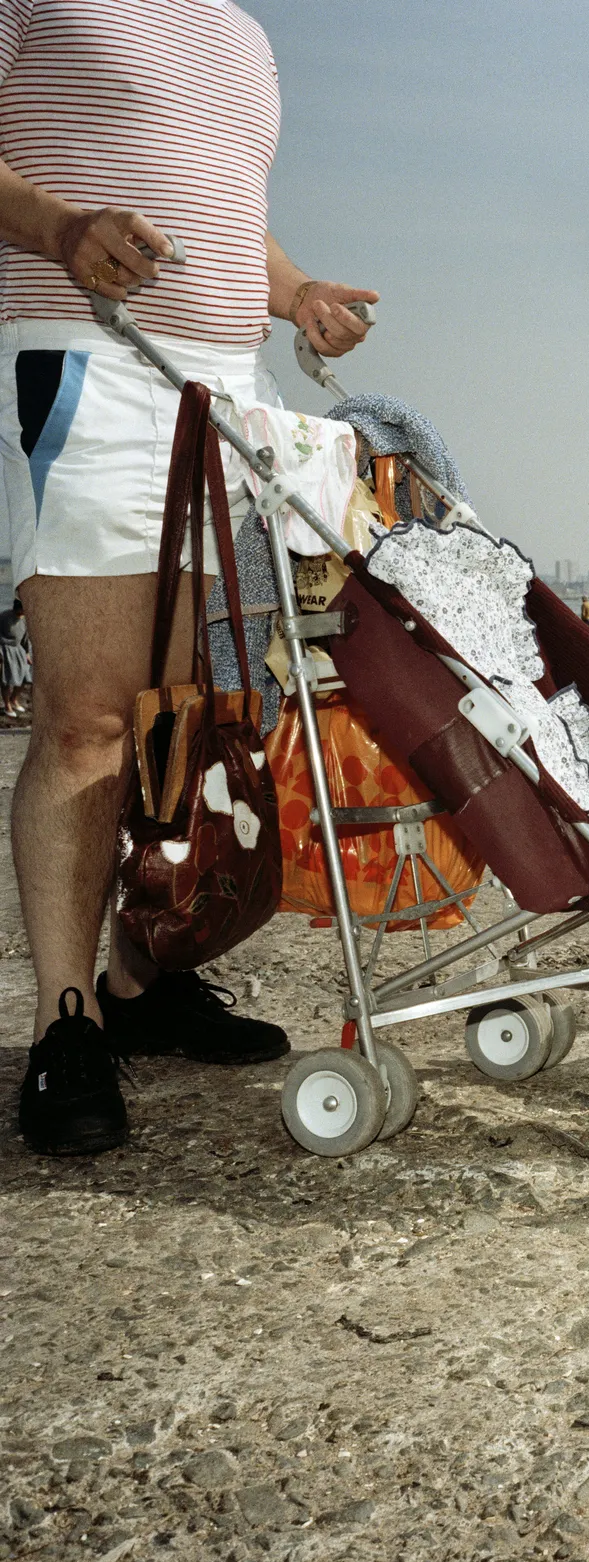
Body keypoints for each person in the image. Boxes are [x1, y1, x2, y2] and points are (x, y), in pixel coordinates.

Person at [1, 1, 377, 1157]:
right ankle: (66, 1023)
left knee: (184, 712)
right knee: (90, 719)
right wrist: (64, 226)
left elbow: (226, 213)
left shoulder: (243, 33)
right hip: (89, 357)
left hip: (229, 388)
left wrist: (295, 292)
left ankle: (140, 977)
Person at [0, 596, 29, 716]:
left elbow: (25, 638)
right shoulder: (4, 616)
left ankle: (14, 699)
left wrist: (27, 653)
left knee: (25, 679)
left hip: (19, 650)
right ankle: (7, 705)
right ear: (17, 608)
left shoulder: (25, 619)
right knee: (7, 680)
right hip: (5, 650)